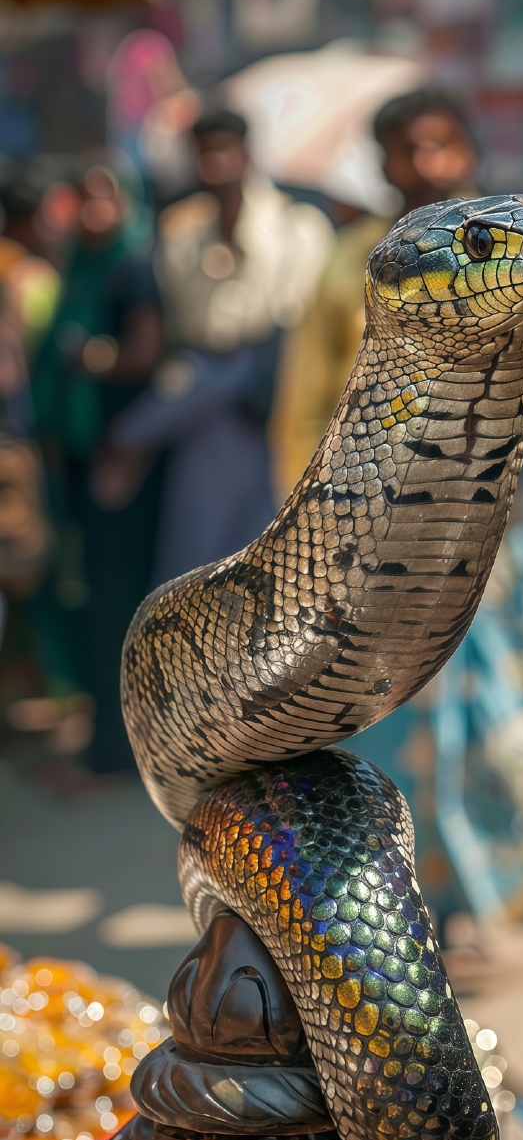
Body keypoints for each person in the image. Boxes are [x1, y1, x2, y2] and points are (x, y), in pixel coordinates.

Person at [109, 107, 332, 586]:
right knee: (197, 560)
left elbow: (289, 329)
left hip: (271, 399)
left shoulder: (298, 230)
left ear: (246, 154)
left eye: (223, 149)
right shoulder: (180, 234)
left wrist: (135, 432)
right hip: (204, 407)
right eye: (204, 152)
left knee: (266, 557)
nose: (214, 164)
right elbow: (187, 342)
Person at [272, 89, 479, 497]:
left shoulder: (516, 243)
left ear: (468, 151)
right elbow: (305, 390)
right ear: (384, 163)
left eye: (440, 145)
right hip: (368, 493)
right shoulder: (352, 256)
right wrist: (304, 495)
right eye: (407, 150)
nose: (425, 163)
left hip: (477, 488)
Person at [31, 160, 164, 775]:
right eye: (82, 198)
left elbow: (145, 355)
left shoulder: (133, 267)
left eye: (102, 198)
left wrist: (91, 360)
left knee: (117, 603)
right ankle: (105, 744)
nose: (91, 211)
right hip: (85, 458)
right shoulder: (78, 266)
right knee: (94, 597)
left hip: (122, 457)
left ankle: (118, 752)